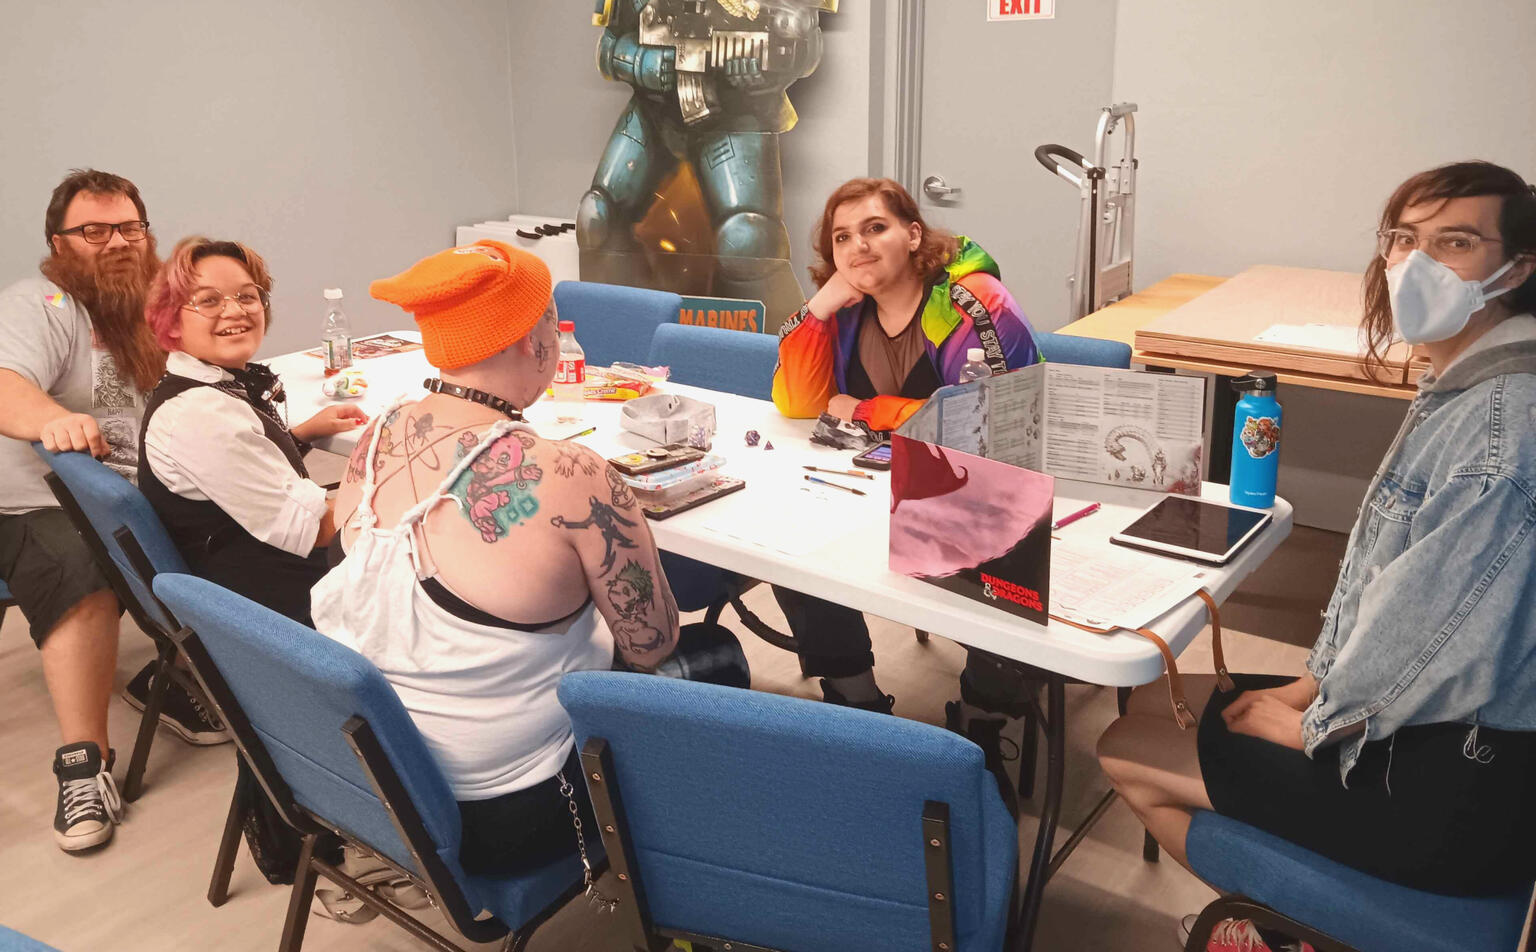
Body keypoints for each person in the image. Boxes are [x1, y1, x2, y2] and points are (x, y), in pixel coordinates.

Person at [1098, 161, 1536, 951]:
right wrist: (1308, 685)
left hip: (1459, 790)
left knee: (1126, 750)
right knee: (1152, 701)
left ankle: (1285, 932)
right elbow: (1390, 592)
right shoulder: (1466, 381)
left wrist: (1310, 725)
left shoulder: (1501, 428)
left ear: (1518, 268)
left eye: (1456, 242)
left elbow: (1433, 636)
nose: (1417, 263)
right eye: (1404, 239)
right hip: (1435, 729)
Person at [314, 240, 747, 878]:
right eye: (551, 319)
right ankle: (699, 873)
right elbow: (652, 644)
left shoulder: (379, 433)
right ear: (532, 338)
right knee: (717, 655)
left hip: (382, 783)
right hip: (510, 812)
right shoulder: (574, 473)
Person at [769, 176, 1042, 800]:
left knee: (1010, 563)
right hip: (876, 487)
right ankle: (858, 701)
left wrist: (867, 410)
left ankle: (982, 719)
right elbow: (799, 401)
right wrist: (820, 307)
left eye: (875, 228)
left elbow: (987, 420)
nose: (858, 247)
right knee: (789, 546)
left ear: (913, 234)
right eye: (842, 238)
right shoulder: (848, 309)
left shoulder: (974, 301)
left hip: (988, 491)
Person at [0, 169, 217, 853]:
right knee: (83, 566)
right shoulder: (42, 303)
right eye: (94, 231)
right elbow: (4, 383)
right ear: (59, 243)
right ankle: (84, 764)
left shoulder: (153, 309)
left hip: (133, 489)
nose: (117, 242)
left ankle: (173, 678)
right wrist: (52, 420)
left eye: (129, 228)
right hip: (37, 498)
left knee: (238, 523)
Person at [139, 237, 365, 626]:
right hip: (283, 609)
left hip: (249, 579)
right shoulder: (200, 415)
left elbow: (241, 469)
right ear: (172, 322)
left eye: (247, 296)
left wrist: (300, 435)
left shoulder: (201, 390)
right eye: (209, 300)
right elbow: (314, 528)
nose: (235, 310)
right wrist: (387, 475)